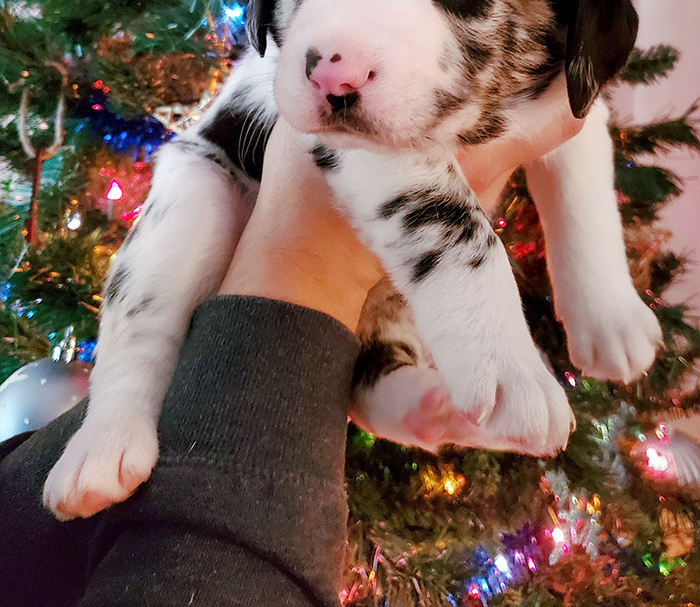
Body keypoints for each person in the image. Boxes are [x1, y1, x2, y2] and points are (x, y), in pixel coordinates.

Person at [0, 80, 581, 607]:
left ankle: (391, 384)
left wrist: (593, 292)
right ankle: (117, 408)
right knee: (191, 208)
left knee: (385, 286)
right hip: (226, 171)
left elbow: (575, 126)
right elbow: (361, 155)